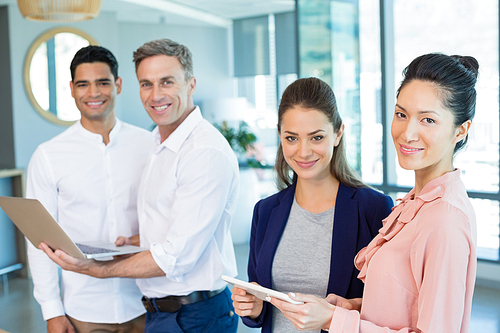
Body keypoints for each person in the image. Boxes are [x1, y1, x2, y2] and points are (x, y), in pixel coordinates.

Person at [39, 39, 240, 333]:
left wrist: (96, 270)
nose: (156, 95)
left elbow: (176, 257)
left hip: (195, 315)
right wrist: (141, 239)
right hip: (162, 313)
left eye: (167, 82)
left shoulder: (202, 151)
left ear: (191, 83)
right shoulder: (158, 144)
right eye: (146, 84)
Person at [270, 53, 478, 333]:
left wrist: (333, 320)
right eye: (401, 114)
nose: (408, 133)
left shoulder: (444, 219)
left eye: (428, 120)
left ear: (460, 131)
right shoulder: (414, 204)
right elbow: (404, 307)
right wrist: (349, 308)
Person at [231, 77, 394, 333]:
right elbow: (259, 305)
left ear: (338, 133)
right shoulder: (265, 211)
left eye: (316, 137)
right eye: (292, 138)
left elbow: (390, 308)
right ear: (279, 135)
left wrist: (338, 312)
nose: (303, 152)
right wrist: (253, 308)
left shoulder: (373, 209)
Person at [26, 45, 152, 333]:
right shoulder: (48, 155)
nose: (93, 93)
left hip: (148, 303)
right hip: (84, 310)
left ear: (118, 85)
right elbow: (39, 242)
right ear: (71, 89)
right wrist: (51, 311)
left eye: (103, 82)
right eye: (83, 84)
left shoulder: (149, 145)